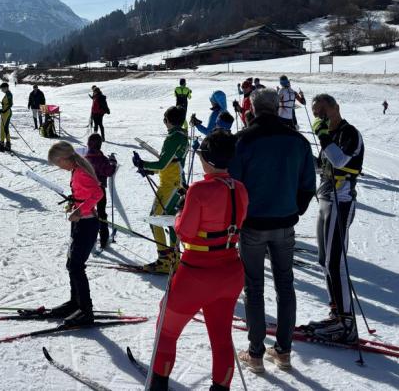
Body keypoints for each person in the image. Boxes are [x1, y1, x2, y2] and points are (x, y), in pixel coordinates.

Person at [149, 130, 247, 391]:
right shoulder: (240, 188)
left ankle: (158, 385)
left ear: (207, 159)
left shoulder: (199, 189)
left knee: (166, 331)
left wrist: (181, 212)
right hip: (230, 272)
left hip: (197, 273)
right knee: (221, 337)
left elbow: (184, 232)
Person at [229, 88, 316, 373]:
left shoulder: (243, 140)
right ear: (278, 107)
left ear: (252, 109)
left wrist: (236, 218)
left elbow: (232, 184)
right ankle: (283, 351)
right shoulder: (297, 140)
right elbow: (308, 184)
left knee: (254, 287)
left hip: (253, 224)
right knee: (285, 284)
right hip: (284, 223)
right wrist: (295, 209)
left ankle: (256, 353)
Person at [306, 93, 365, 344]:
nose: (319, 118)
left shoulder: (349, 133)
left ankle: (346, 322)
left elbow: (340, 160)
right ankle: (336, 313)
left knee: (334, 261)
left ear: (336, 108)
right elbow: (324, 165)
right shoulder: (329, 137)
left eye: (322, 112)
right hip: (326, 199)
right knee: (324, 260)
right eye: (316, 114)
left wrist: (322, 135)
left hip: (341, 202)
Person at [46, 140, 104, 327]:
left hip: (87, 224)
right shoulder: (76, 170)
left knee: (76, 266)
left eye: (58, 163)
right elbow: (85, 194)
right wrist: (74, 203)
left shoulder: (80, 173)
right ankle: (75, 303)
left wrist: (79, 210)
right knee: (71, 263)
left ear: (64, 159)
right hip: (81, 222)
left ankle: (86, 311)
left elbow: (98, 193)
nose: (59, 167)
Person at [132, 106, 190, 273]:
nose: (164, 123)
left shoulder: (173, 138)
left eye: (165, 119)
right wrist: (151, 171)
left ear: (168, 121)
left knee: (155, 219)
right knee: (170, 220)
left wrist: (143, 164)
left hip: (171, 185)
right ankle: (174, 259)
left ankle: (165, 260)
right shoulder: (181, 136)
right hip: (174, 182)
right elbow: (172, 163)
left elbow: (162, 164)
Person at [83, 133, 117, 249]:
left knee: (88, 213)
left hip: (86, 189)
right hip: (99, 190)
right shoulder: (102, 159)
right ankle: (103, 239)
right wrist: (113, 163)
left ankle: (88, 238)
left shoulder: (85, 159)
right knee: (101, 213)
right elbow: (109, 172)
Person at [0, 82, 13, 152]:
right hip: (6, 112)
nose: (2, 90)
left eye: (2, 89)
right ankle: (8, 144)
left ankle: (2, 144)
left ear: (6, 87)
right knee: (5, 128)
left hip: (6, 113)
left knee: (2, 128)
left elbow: (10, 104)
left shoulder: (9, 94)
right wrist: (2, 110)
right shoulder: (7, 94)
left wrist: (3, 110)